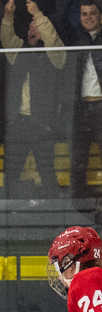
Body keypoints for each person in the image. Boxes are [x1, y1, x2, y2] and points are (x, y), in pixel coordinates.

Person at [0, 0, 67, 198]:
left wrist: (38, 15)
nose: (32, 29)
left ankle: (54, 212)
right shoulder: (18, 51)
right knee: (11, 172)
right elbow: (7, 38)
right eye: (30, 26)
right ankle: (7, 211)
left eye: (36, 27)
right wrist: (8, 17)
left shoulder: (53, 55)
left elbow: (53, 39)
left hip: (42, 123)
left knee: (46, 171)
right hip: (19, 122)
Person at [71, 0, 102, 198]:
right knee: (78, 160)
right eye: (84, 13)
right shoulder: (75, 39)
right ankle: (79, 204)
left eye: (92, 13)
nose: (88, 17)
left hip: (101, 107)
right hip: (81, 108)